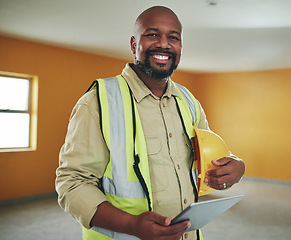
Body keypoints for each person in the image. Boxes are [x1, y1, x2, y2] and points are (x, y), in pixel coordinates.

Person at [55, 6, 245, 240]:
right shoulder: (98, 102)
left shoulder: (189, 101)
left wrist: (235, 166)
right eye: (153, 34)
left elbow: (209, 157)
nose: (164, 44)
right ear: (134, 44)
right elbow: (71, 184)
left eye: (173, 37)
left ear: (180, 47)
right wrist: (131, 225)